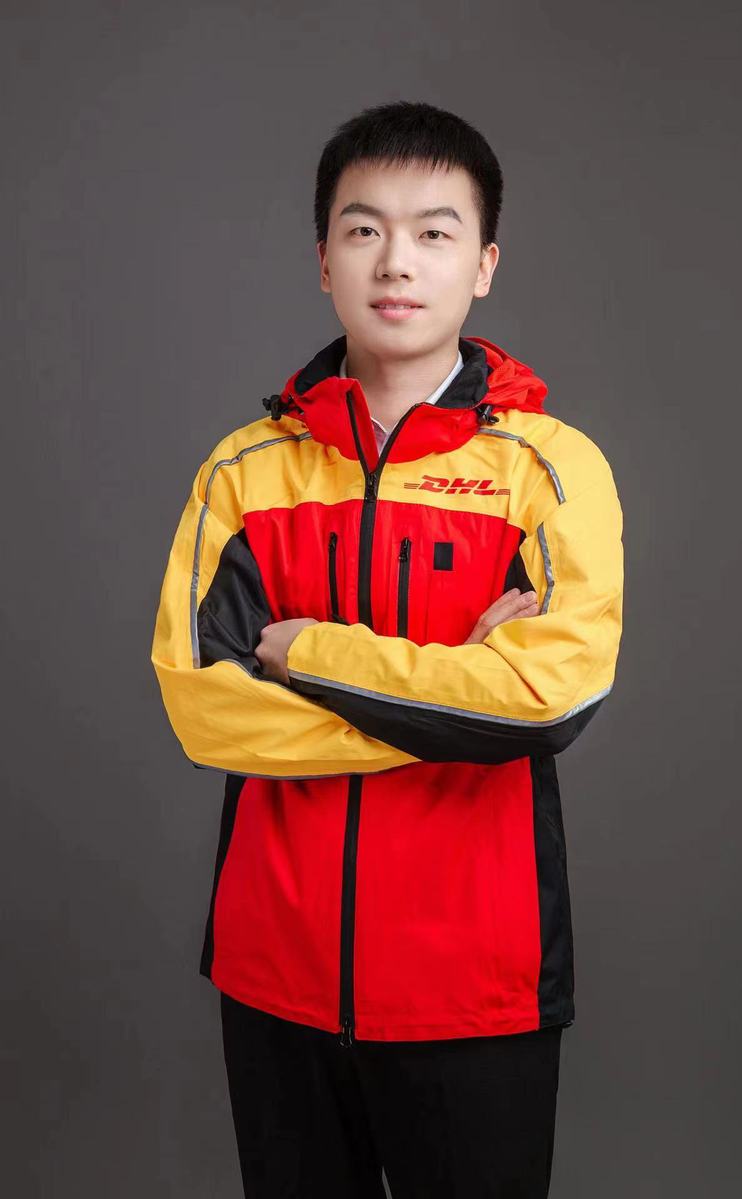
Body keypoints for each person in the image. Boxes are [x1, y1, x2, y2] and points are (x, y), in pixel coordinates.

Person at [151, 99, 624, 1198]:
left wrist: (309, 653)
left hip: (478, 982)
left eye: (434, 231)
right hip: (274, 971)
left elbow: (548, 699)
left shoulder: (549, 469)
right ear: (323, 259)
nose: (396, 261)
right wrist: (459, 701)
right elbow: (199, 703)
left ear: (484, 265)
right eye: (363, 229)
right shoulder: (245, 470)